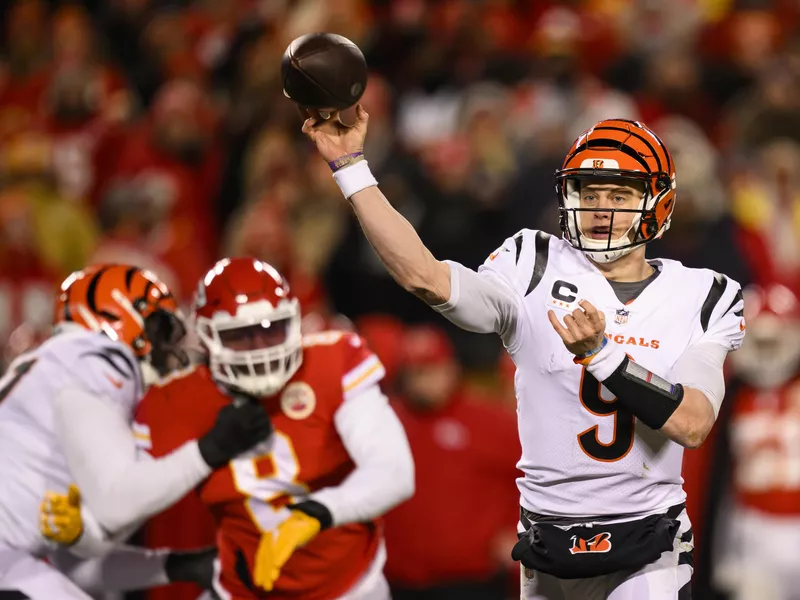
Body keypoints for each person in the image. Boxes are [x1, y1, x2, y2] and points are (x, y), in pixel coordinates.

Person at [301, 111, 746, 599]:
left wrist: (603, 357)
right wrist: (350, 167)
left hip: (646, 540)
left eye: (619, 195)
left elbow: (692, 422)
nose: (601, 209)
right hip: (545, 541)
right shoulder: (532, 264)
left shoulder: (702, 294)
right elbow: (425, 278)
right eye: (588, 193)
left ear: (657, 203)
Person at [45, 257, 415, 599]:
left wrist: (312, 513)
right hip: (239, 589)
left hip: (352, 589)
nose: (259, 347)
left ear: (294, 320)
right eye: (241, 335)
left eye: (272, 329)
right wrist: (81, 530)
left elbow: (394, 473)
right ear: (207, 336)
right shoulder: (175, 402)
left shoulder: (333, 362)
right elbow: (114, 517)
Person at [0, 264, 273, 598]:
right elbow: (117, 504)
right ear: (120, 317)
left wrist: (179, 566)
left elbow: (74, 568)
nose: (166, 349)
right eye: (159, 329)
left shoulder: (56, 368)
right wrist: (211, 449)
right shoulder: (95, 359)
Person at [383, 324, 520, 600]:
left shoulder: (491, 420)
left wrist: (519, 530)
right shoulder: (384, 421)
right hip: (399, 582)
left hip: (473, 582)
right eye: (417, 372)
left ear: (451, 367)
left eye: (433, 369)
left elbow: (532, 478)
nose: (425, 380)